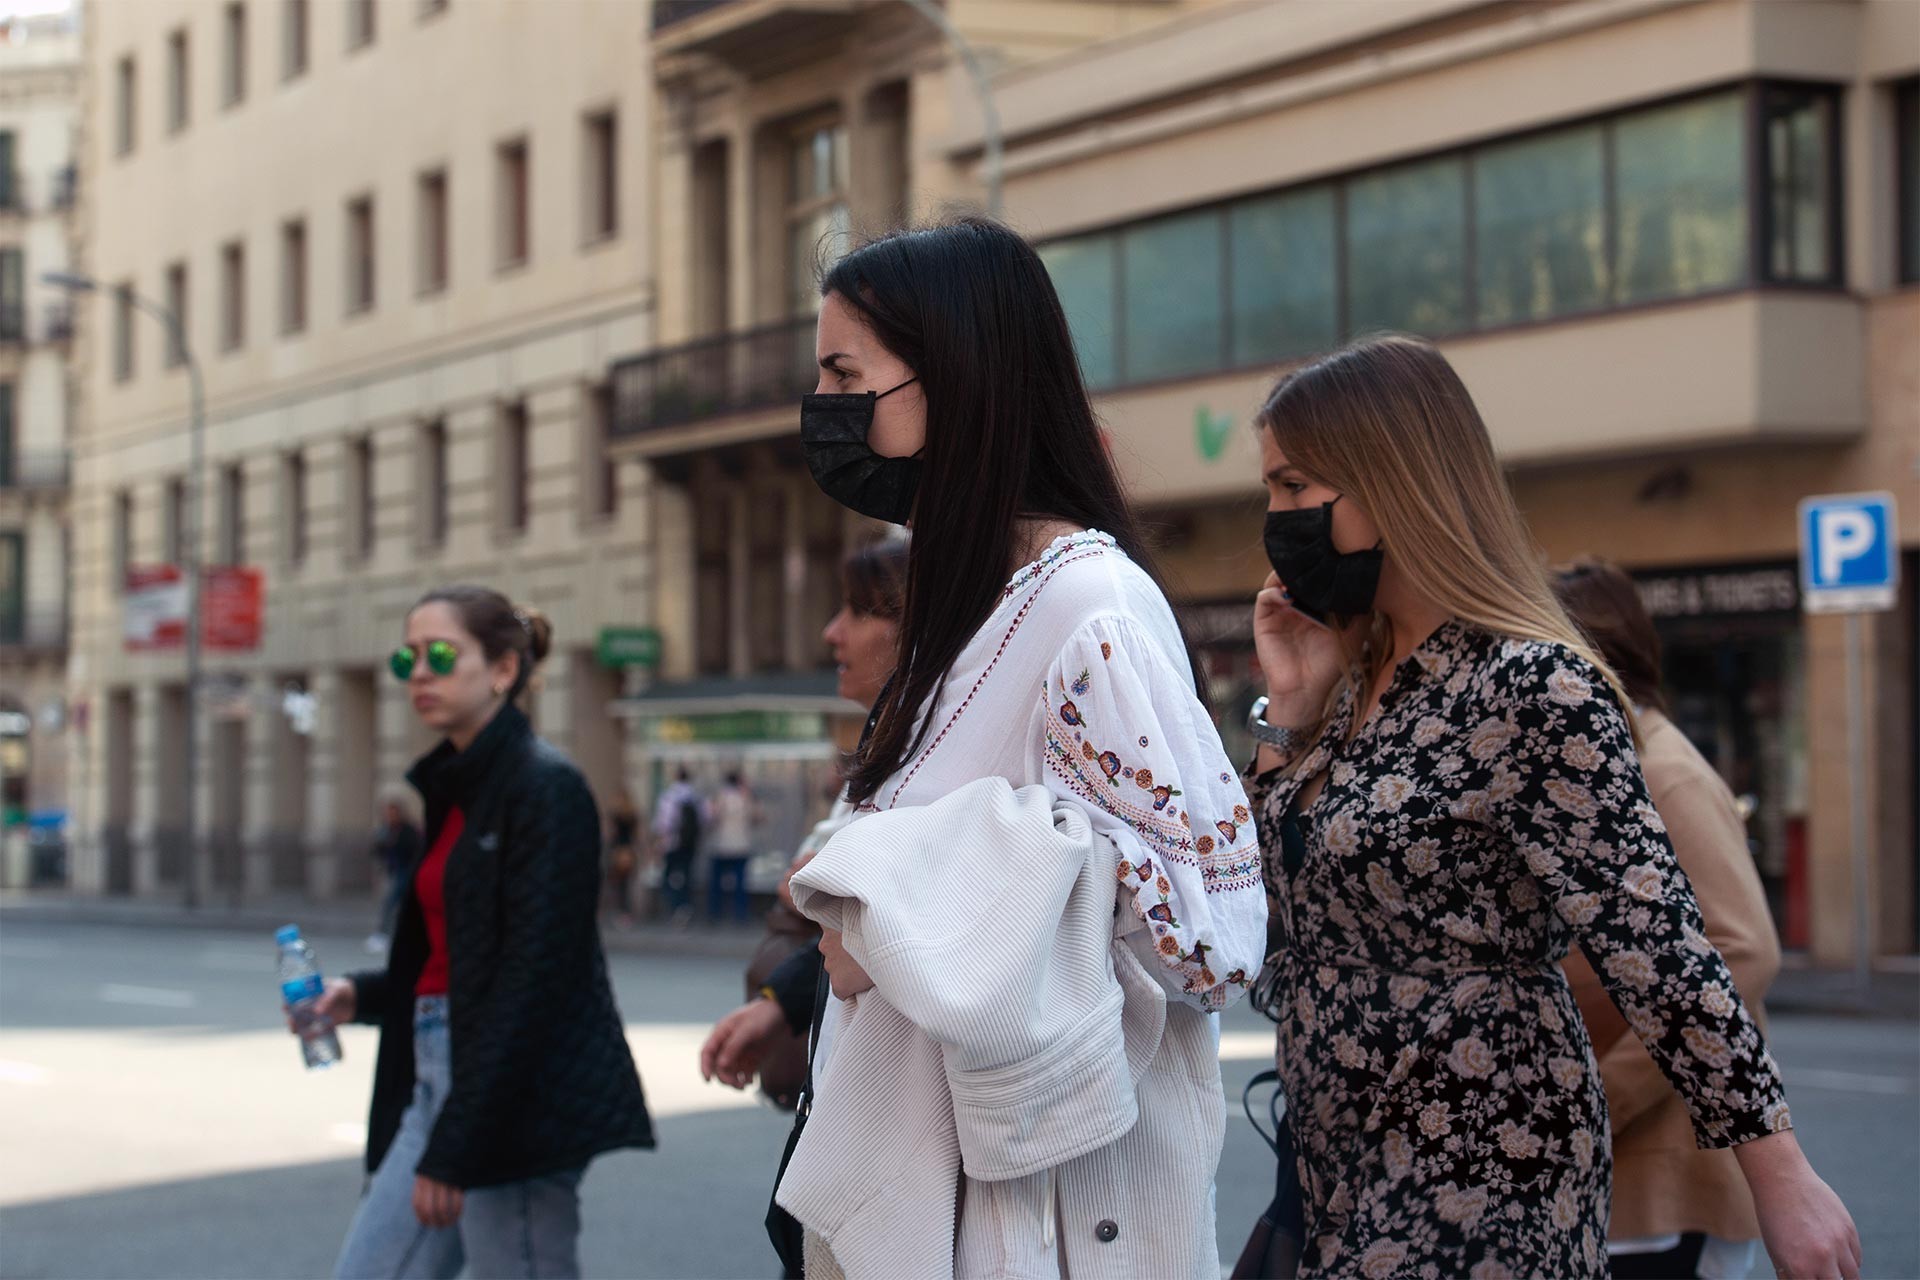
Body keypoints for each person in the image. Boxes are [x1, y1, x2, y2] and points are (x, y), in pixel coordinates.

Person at [1242, 334, 1857, 1279]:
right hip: (1339, 1164)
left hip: (1488, 1164)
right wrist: (1288, 713)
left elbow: (1656, 944)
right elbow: (1268, 908)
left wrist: (1780, 1175)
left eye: (1292, 486)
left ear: (1392, 478)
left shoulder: (1533, 685)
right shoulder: (1356, 673)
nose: (1274, 518)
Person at [772, 218, 1268, 1278]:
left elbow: (1203, 934)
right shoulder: (977, 605)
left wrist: (893, 914)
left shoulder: (1089, 606)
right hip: (958, 1203)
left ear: (954, 377)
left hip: (1047, 1220)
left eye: (845, 373)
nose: (825, 409)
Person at [291, 586, 654, 1280]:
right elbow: (452, 956)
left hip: (511, 1092)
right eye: (407, 659)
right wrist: (359, 996)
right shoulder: (458, 786)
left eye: (439, 655)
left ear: (502, 670)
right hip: (441, 1074)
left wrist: (460, 1146)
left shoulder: (547, 788)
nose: (418, 674)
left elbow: (531, 980)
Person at [1553, 557, 1782, 1280]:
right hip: (1626, 1173)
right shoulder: (1613, 757)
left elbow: (1743, 951)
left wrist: (1602, 1093)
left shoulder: (1664, 770)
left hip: (1663, 1178)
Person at [700, 537, 908, 1104]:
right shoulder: (886, 753)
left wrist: (831, 884)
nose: (832, 632)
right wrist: (781, 1002)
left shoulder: (933, 758)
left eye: (862, 610)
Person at [367, 797, 421, 954]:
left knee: (393, 904)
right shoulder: (387, 830)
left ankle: (385, 934)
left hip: (406, 872)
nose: (389, 816)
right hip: (396, 871)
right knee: (393, 905)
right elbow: (378, 850)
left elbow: (413, 850)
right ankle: (387, 935)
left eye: (392, 812)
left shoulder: (407, 831)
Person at [705, 772, 759, 925]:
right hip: (741, 846)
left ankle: (715, 913)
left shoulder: (719, 796)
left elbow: (710, 818)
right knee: (740, 884)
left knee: (716, 884)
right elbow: (757, 818)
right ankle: (740, 914)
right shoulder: (745, 797)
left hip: (721, 846)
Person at [651, 767, 702, 925]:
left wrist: (658, 842)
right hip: (689, 843)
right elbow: (705, 819)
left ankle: (676, 907)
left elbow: (663, 823)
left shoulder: (669, 796)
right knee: (686, 875)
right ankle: (685, 906)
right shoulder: (695, 796)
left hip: (671, 843)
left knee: (668, 877)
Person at [605, 788, 641, 929]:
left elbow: (610, 834)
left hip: (618, 850)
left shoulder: (616, 814)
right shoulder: (632, 814)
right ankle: (626, 914)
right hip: (629, 851)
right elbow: (637, 835)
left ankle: (620, 913)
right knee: (626, 884)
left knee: (618, 884)